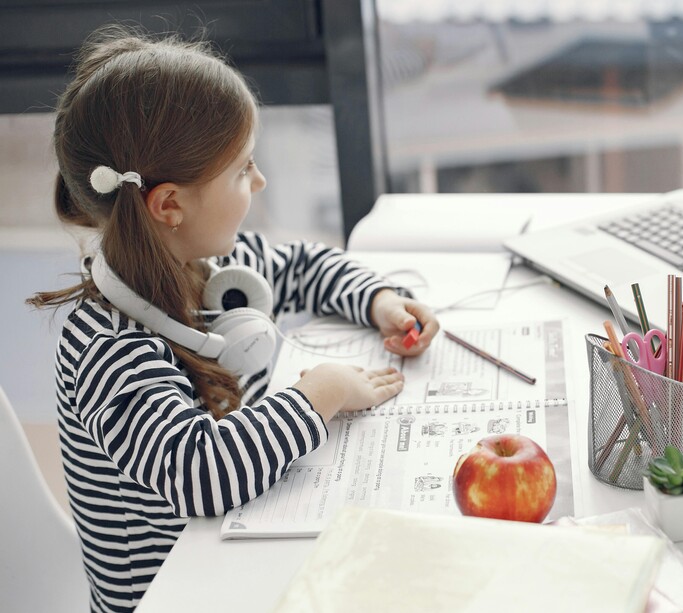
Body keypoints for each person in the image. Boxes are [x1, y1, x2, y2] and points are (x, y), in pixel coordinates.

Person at [27, 26, 439, 613]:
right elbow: (199, 470)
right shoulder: (107, 348)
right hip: (171, 595)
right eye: (244, 170)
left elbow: (301, 265)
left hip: (229, 558)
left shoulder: (212, 262)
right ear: (170, 205)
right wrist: (317, 394)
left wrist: (377, 300)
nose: (261, 181)